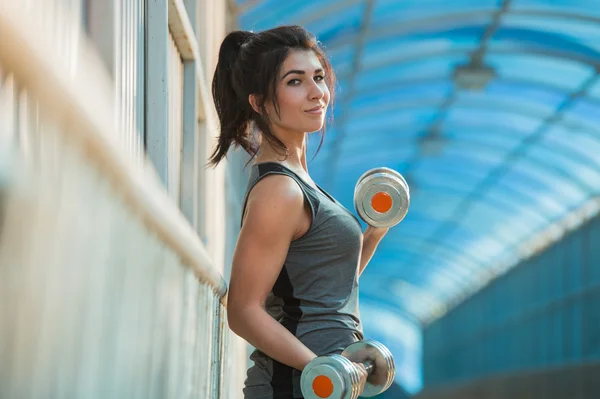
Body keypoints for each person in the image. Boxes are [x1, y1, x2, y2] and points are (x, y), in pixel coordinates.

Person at [209, 25, 389, 399]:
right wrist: (319, 369)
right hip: (292, 389)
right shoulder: (280, 190)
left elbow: (323, 287)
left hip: (323, 386)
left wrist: (373, 233)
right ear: (258, 102)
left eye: (318, 77)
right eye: (295, 81)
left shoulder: (299, 182)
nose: (316, 93)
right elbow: (243, 310)